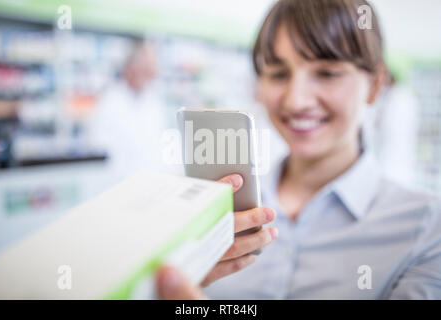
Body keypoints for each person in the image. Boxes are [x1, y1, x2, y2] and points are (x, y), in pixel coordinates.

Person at [157, 0, 441, 299]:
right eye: (278, 74)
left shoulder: (426, 229)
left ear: (375, 85)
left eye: (327, 73)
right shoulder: (216, 207)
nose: (296, 101)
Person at [88, 39, 170, 181]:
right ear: (130, 68)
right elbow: (100, 148)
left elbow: (158, 144)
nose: (149, 76)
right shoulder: (111, 101)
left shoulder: (152, 100)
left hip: (152, 181)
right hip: (119, 183)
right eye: (144, 69)